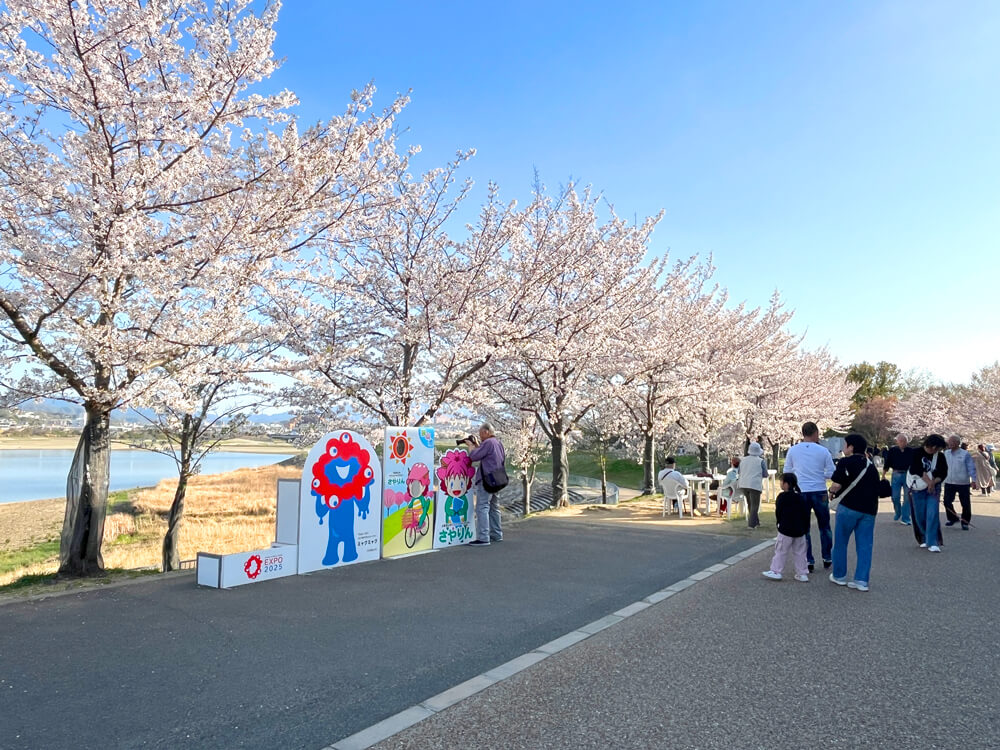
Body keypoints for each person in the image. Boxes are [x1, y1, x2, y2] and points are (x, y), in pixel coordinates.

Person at [828, 434, 880, 591]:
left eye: (846, 445)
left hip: (849, 507)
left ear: (851, 447)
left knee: (841, 543)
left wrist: (831, 491)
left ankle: (839, 575)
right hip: (869, 510)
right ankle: (861, 580)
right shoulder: (871, 466)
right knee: (864, 545)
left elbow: (837, 484)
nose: (844, 448)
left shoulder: (845, 462)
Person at [783, 421, 836, 572]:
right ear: (815, 433)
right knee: (824, 526)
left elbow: (787, 471)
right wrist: (821, 475)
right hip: (819, 491)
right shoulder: (823, 451)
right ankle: (827, 556)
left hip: (801, 491)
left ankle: (808, 559)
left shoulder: (793, 450)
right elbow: (832, 472)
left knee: (804, 527)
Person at [762, 473, 811, 582]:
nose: (780, 484)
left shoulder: (782, 497)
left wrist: (779, 523)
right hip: (800, 530)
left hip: (786, 529)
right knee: (800, 552)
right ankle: (802, 573)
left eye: (781, 482)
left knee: (781, 551)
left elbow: (778, 512)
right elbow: (806, 514)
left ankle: (776, 571)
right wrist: (805, 527)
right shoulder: (801, 497)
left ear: (786, 484)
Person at [466, 422, 506, 546]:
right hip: (497, 479)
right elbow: (489, 455)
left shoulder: (488, 443)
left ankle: (483, 537)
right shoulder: (498, 443)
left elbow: (474, 456)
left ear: (486, 432)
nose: (480, 436)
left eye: (481, 434)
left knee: (482, 507)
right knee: (494, 507)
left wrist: (471, 446)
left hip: (486, 480)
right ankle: (496, 534)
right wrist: (478, 445)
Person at [908, 434, 948, 552]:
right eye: (936, 447)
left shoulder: (940, 456)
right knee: (919, 514)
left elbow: (943, 472)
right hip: (917, 488)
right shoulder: (916, 452)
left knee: (932, 513)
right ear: (932, 445)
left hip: (934, 488)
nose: (936, 450)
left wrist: (933, 483)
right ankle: (924, 537)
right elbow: (916, 469)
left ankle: (933, 541)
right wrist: (928, 482)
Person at [942, 434, 976, 530]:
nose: (950, 443)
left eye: (952, 442)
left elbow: (971, 468)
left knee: (965, 504)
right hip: (949, 481)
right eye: (949, 442)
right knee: (947, 502)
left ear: (958, 443)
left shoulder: (965, 454)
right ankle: (953, 518)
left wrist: (974, 480)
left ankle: (965, 522)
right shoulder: (946, 453)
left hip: (963, 482)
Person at [882, 433, 914, 525]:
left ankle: (906, 517)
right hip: (896, 474)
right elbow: (887, 463)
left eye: (904, 441)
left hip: (908, 475)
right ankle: (898, 511)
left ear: (907, 442)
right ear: (897, 442)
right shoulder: (893, 450)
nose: (902, 443)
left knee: (907, 497)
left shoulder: (911, 451)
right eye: (900, 441)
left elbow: (915, 464)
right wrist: (884, 474)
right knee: (895, 496)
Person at [737, 442, 768, 528]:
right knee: (755, 505)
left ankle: (756, 522)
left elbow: (739, 471)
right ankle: (751, 525)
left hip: (743, 483)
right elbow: (765, 474)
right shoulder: (761, 461)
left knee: (750, 503)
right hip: (754, 484)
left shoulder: (743, 460)